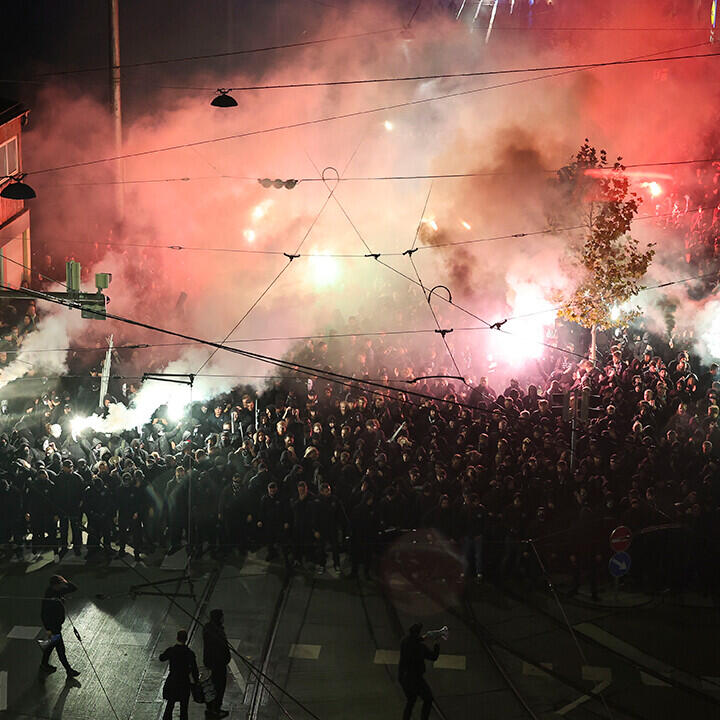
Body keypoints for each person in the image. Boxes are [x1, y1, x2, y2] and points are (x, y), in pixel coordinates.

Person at [39, 574, 80, 677]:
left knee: (50, 647)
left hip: (56, 627)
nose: (61, 587)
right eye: (60, 584)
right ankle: (69, 670)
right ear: (55, 586)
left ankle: (44, 664)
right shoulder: (49, 599)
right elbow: (44, 615)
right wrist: (49, 629)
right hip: (54, 629)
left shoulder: (57, 590)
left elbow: (74, 588)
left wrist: (64, 581)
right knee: (61, 650)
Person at [398, 623, 439, 720]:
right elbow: (433, 656)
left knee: (411, 700)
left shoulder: (404, 642)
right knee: (428, 699)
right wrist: (436, 643)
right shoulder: (420, 648)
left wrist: (425, 637)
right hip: (416, 679)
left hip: (405, 677)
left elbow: (414, 640)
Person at [159, 629, 199, 720]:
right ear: (186, 639)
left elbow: (161, 658)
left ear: (177, 638)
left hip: (173, 681)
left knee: (170, 706)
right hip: (184, 683)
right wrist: (196, 682)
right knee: (184, 709)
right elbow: (195, 670)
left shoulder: (172, 650)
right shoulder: (190, 653)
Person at [202, 609, 231, 718]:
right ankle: (215, 709)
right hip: (217, 664)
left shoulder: (210, 628)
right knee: (218, 687)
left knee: (213, 687)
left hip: (212, 663)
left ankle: (212, 708)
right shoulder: (214, 631)